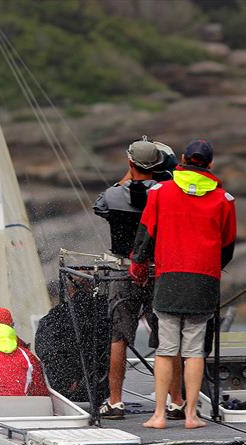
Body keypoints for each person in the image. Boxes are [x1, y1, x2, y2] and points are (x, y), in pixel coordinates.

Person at [130, 139, 236, 429]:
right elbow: (227, 246)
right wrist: (213, 270)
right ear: (210, 165)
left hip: (170, 277)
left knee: (166, 350)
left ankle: (159, 415)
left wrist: (137, 265)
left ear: (182, 158)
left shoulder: (160, 192)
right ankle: (191, 415)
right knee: (194, 352)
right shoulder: (224, 200)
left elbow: (146, 234)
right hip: (204, 280)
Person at [93, 137, 184, 420]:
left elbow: (99, 207)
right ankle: (177, 402)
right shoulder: (167, 193)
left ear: (130, 162)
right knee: (168, 339)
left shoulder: (113, 195)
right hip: (161, 271)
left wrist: (128, 175)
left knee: (118, 338)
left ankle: (115, 402)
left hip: (123, 271)